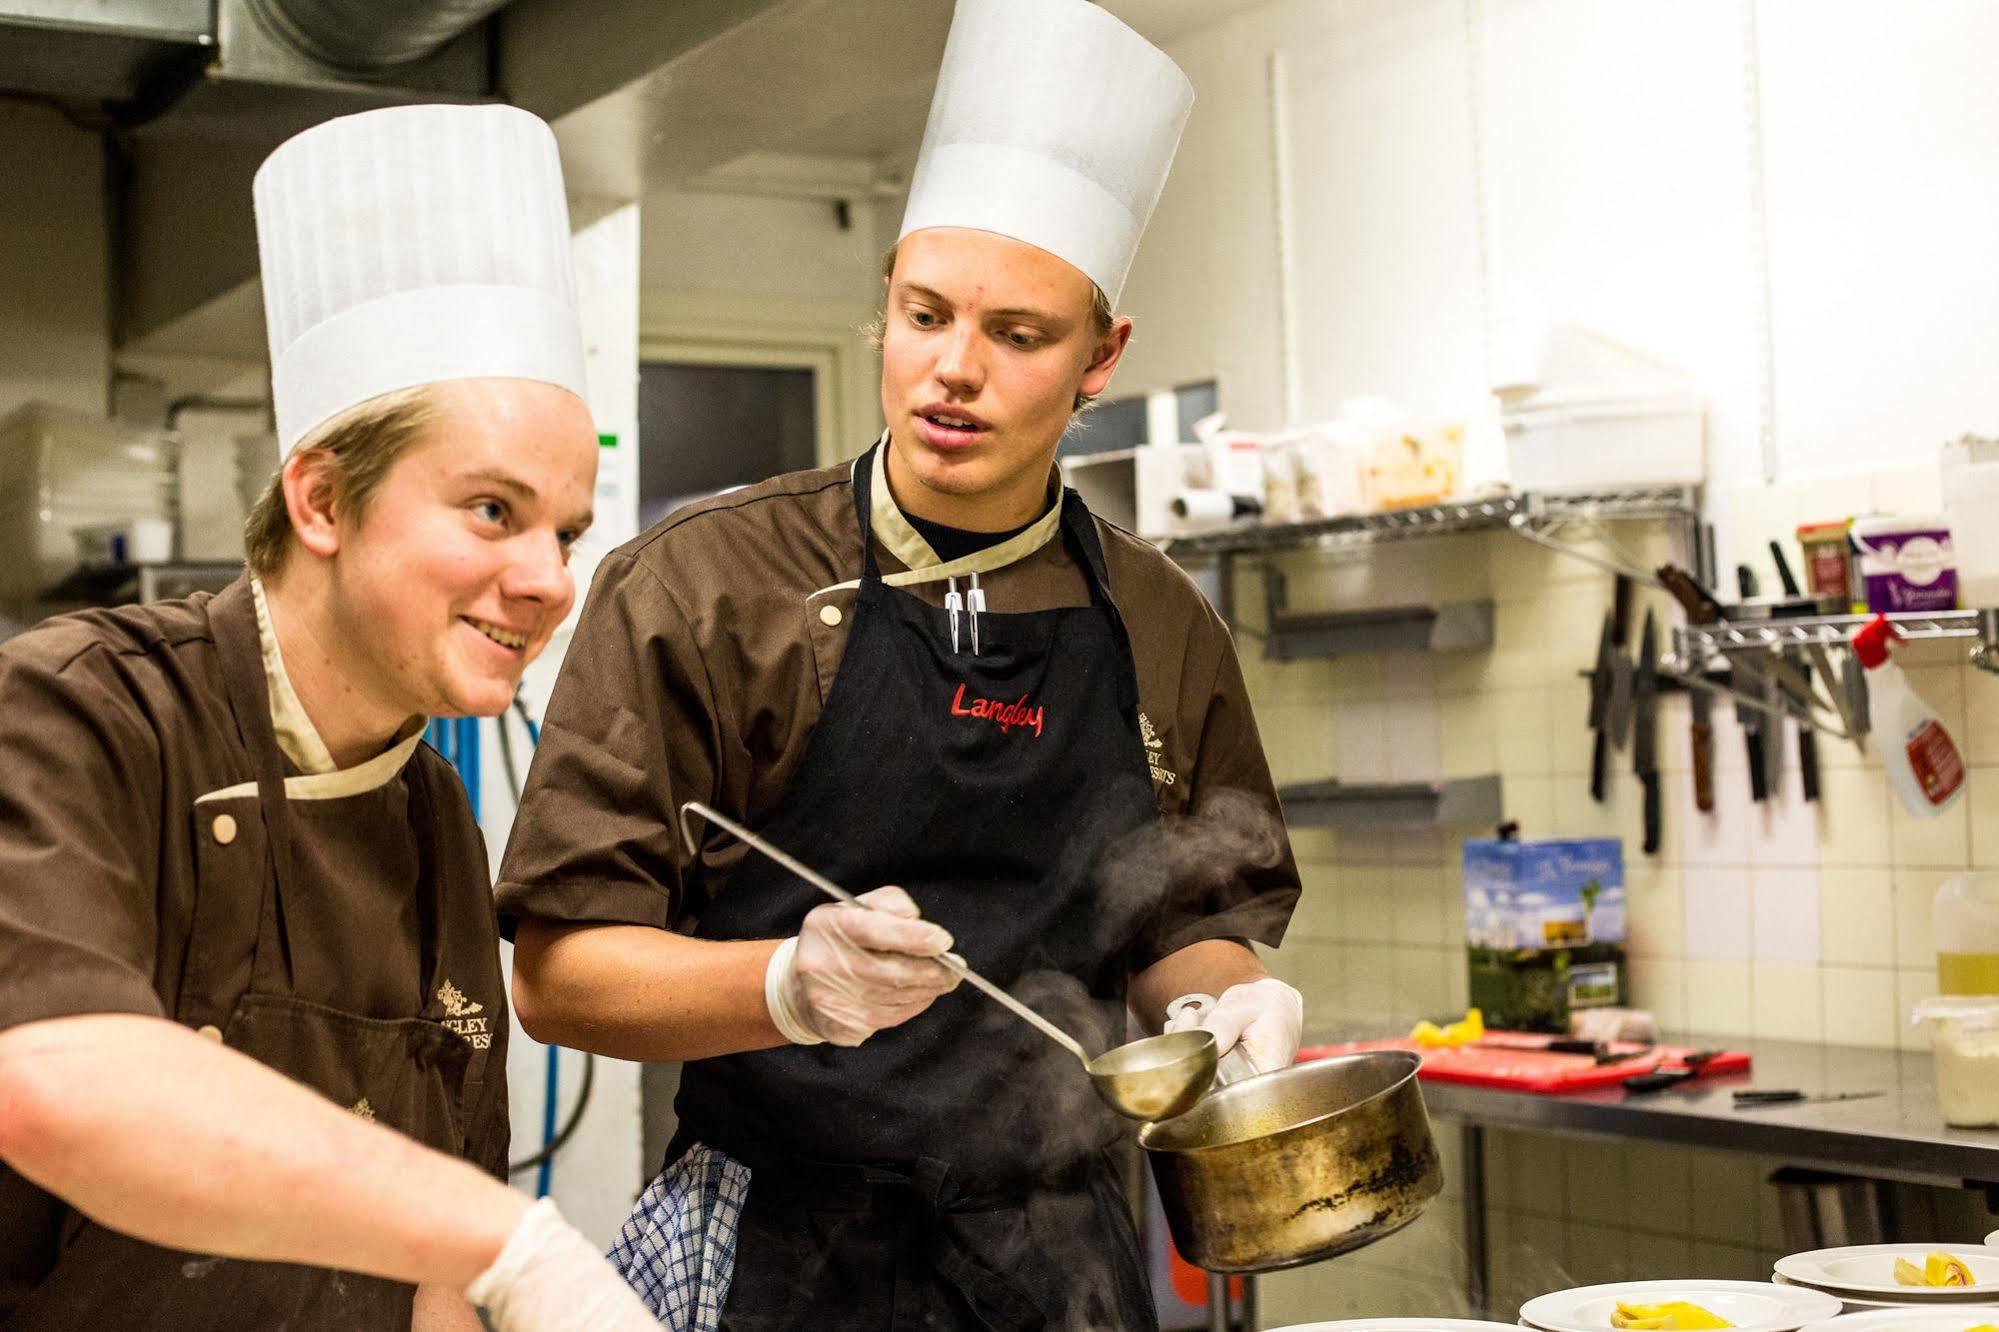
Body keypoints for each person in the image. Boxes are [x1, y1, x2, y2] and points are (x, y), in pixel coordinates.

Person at [499, 2, 1304, 1327]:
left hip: (1060, 1264)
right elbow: (558, 972)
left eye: (1017, 337)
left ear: (1101, 356)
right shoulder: (704, 587)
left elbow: (1180, 928)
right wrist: (780, 982)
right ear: (882, 303)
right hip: (775, 1248)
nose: (952, 371)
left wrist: (1228, 1004)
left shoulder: (1159, 622)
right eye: (923, 315)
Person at [0, 103, 661, 1331]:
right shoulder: (80, 710)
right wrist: (518, 1246)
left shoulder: (432, 821)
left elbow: (429, 1277)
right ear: (320, 498)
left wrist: (481, 1266)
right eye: (491, 510)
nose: (550, 579)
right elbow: (58, 1084)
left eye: (565, 530)